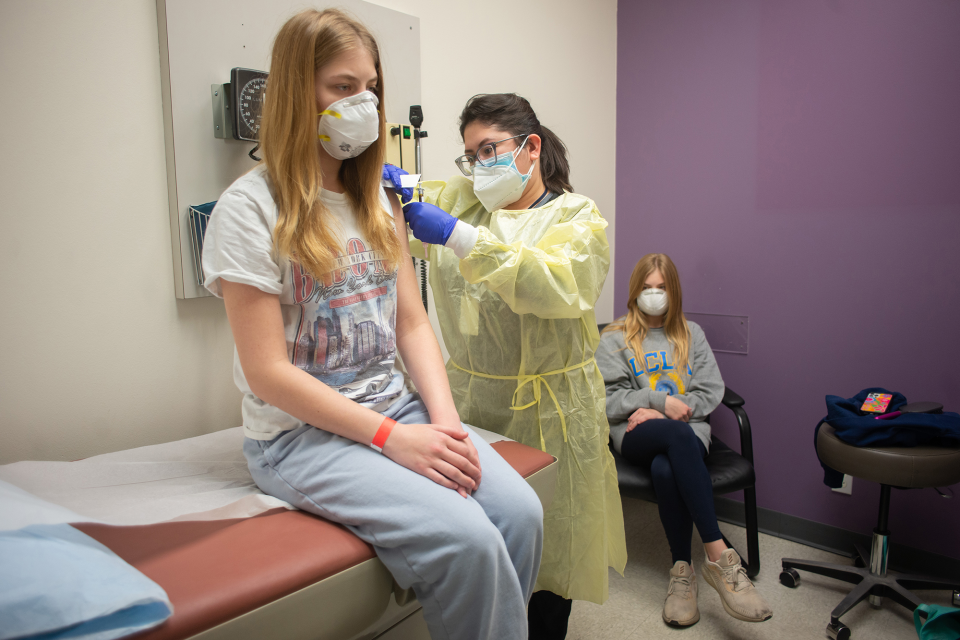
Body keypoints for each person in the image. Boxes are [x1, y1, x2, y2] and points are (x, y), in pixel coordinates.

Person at [199, 12, 543, 640]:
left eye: (370, 88)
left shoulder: (381, 202)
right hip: (300, 436)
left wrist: (445, 425)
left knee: (521, 512)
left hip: (398, 409)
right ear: (295, 92)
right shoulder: (248, 210)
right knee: (468, 540)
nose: (362, 103)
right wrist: (393, 440)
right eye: (341, 86)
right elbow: (267, 374)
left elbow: (411, 323)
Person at [397, 93, 627, 639]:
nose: (480, 166)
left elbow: (555, 285)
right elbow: (406, 209)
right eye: (470, 155)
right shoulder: (467, 205)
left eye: (489, 149)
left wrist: (457, 237)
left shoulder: (576, 216)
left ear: (531, 148)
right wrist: (387, 186)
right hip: (470, 403)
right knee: (481, 546)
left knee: (551, 554)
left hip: (552, 411)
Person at [596, 253, 772, 627]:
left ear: (673, 291)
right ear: (635, 291)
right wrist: (658, 401)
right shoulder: (614, 338)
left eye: (661, 288)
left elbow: (710, 392)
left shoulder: (692, 335)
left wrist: (668, 410)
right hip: (634, 434)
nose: (654, 295)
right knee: (673, 436)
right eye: (647, 288)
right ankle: (719, 556)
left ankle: (682, 573)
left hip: (687, 434)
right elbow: (607, 401)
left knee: (666, 466)